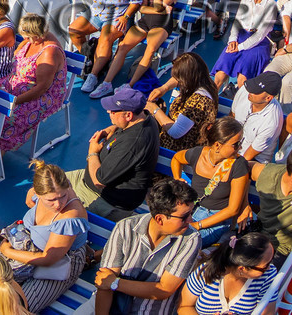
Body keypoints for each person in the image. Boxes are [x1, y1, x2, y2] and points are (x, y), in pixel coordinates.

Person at [93, 178, 202, 315]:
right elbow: (103, 285)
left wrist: (115, 283)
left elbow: (164, 289)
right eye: (185, 216)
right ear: (160, 219)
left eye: (191, 212)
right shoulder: (125, 228)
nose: (191, 220)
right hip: (113, 307)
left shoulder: (190, 239)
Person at [0, 160, 90, 313]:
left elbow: (48, 259)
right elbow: (30, 198)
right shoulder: (40, 192)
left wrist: (7, 251)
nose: (58, 204)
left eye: (63, 196)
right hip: (30, 246)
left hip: (60, 262)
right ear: (38, 193)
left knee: (15, 309)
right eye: (51, 200)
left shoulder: (70, 217)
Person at [65, 85, 160, 221]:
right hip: (88, 181)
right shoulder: (145, 119)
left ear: (128, 115)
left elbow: (99, 180)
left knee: (54, 210)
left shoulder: (132, 143)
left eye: (113, 111)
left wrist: (92, 152)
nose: (109, 111)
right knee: (41, 187)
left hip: (104, 198)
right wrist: (113, 128)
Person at [101, 0, 180, 91]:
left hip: (161, 25)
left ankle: (129, 85)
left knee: (149, 50)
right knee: (123, 46)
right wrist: (160, 9)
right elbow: (143, 8)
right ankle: (106, 83)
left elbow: (157, 5)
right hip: (145, 22)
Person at [169, 118, 250, 248]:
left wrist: (198, 225)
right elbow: (176, 158)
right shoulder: (198, 153)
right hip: (191, 208)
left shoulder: (238, 165)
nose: (240, 147)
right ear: (217, 145)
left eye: (241, 142)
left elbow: (232, 209)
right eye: (235, 144)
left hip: (216, 219)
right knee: (166, 235)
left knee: (184, 244)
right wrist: (177, 178)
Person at [0, 13, 70, 154]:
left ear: (39, 34)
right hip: (17, 87)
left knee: (6, 119)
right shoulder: (30, 41)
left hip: (42, 96)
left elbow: (41, 88)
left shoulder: (49, 53)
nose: (25, 39)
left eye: (29, 36)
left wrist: (14, 102)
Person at [79, 0, 143, 96]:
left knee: (105, 38)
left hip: (118, 17)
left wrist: (125, 17)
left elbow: (136, 2)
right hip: (98, 14)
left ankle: (93, 76)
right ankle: (90, 60)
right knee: (75, 30)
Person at [176, 231, 277, 315]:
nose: (269, 268)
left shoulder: (268, 276)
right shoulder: (206, 271)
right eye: (265, 266)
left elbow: (268, 313)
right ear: (242, 269)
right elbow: (184, 306)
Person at [211, 0, 277, 93]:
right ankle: (211, 103)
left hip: (259, 44)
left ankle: (236, 111)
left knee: (243, 80)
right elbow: (237, 22)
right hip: (241, 38)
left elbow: (260, 35)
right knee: (220, 75)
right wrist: (232, 40)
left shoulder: (271, 5)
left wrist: (239, 47)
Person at [149, 52, 219, 154]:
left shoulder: (198, 101)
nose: (178, 82)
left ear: (186, 78)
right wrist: (164, 88)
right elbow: (178, 77)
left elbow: (176, 132)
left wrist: (154, 109)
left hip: (178, 151)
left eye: (179, 79)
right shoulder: (206, 83)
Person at [228, 72, 284, 165]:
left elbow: (248, 156)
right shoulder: (244, 91)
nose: (250, 92)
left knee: (229, 172)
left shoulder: (271, 122)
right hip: (232, 145)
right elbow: (231, 118)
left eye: (256, 91)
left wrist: (229, 162)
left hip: (253, 159)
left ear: (268, 98)